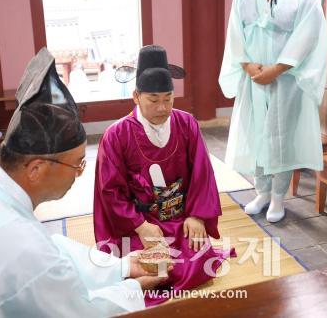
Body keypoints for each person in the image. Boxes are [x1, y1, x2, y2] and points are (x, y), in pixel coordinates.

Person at [0, 48, 164, 317]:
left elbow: (53, 250)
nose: (78, 174)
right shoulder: (22, 249)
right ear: (36, 169)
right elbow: (78, 311)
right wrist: (132, 289)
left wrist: (120, 268)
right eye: (77, 164)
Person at [94, 45, 236, 305]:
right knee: (149, 267)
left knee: (196, 264)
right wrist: (140, 225)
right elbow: (110, 191)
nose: (163, 107)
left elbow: (202, 173)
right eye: (154, 99)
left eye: (168, 98)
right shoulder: (116, 135)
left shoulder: (186, 123)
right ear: (136, 96)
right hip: (139, 222)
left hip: (180, 216)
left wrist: (197, 215)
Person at [218, 0, 327, 223]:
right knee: (256, 135)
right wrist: (248, 66)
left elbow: (307, 39)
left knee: (281, 136)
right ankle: (261, 192)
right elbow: (234, 38)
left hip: (286, 81)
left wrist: (276, 70)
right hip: (254, 80)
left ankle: (279, 197)